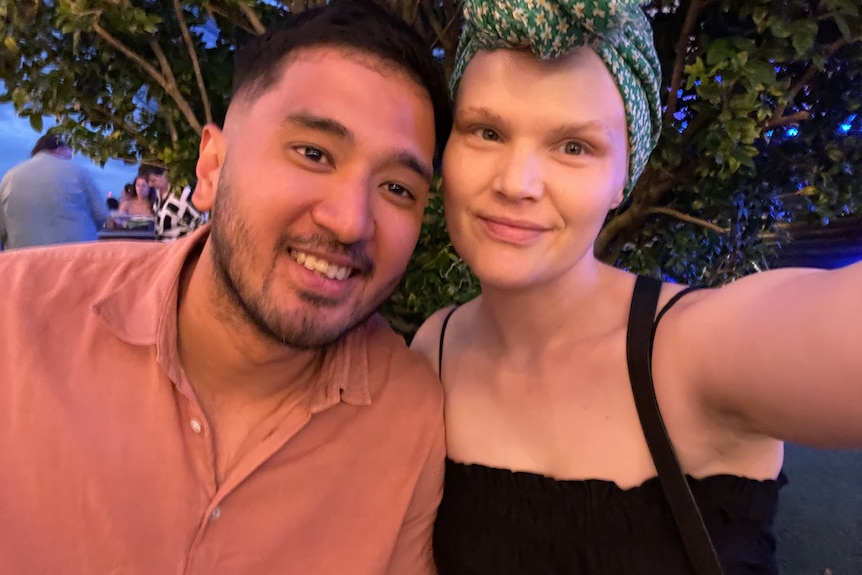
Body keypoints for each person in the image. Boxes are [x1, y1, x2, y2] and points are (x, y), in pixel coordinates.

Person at [410, 2, 862, 574]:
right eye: (487, 131)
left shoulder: (690, 349)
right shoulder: (435, 349)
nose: (516, 183)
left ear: (624, 174)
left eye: (573, 146)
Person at [0, 2, 451, 573]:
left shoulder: (407, 413)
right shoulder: (14, 324)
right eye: (313, 154)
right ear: (211, 168)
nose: (351, 221)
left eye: (397, 188)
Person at [0, 134, 108, 250]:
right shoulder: (78, 171)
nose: (69, 158)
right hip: (76, 256)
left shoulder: (9, 177)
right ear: (59, 149)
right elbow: (101, 215)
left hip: (25, 260)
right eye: (69, 153)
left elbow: (2, 227)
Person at [140, 163, 206, 241]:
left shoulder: (183, 194)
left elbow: (200, 221)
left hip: (181, 245)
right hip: (163, 245)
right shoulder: (158, 193)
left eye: (153, 180)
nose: (150, 184)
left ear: (165, 174)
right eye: (148, 182)